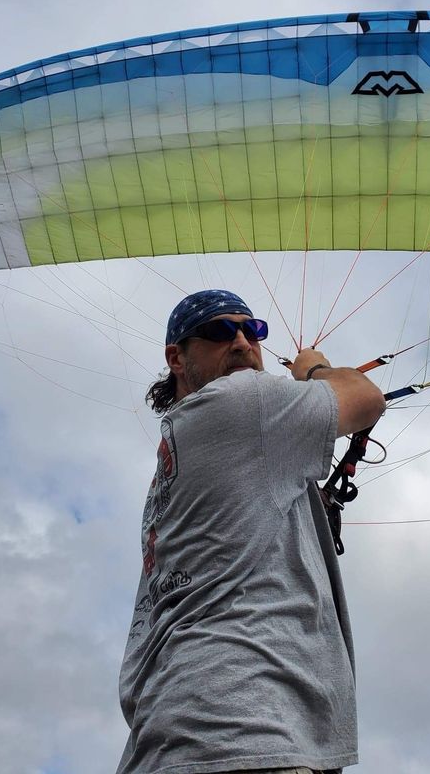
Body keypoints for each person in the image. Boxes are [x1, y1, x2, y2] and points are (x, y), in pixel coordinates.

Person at [117, 288, 386, 774]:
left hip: (176, 731)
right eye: (220, 331)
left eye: (253, 329)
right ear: (176, 357)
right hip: (246, 724)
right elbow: (366, 397)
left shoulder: (173, 459)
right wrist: (313, 368)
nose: (242, 341)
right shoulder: (244, 400)